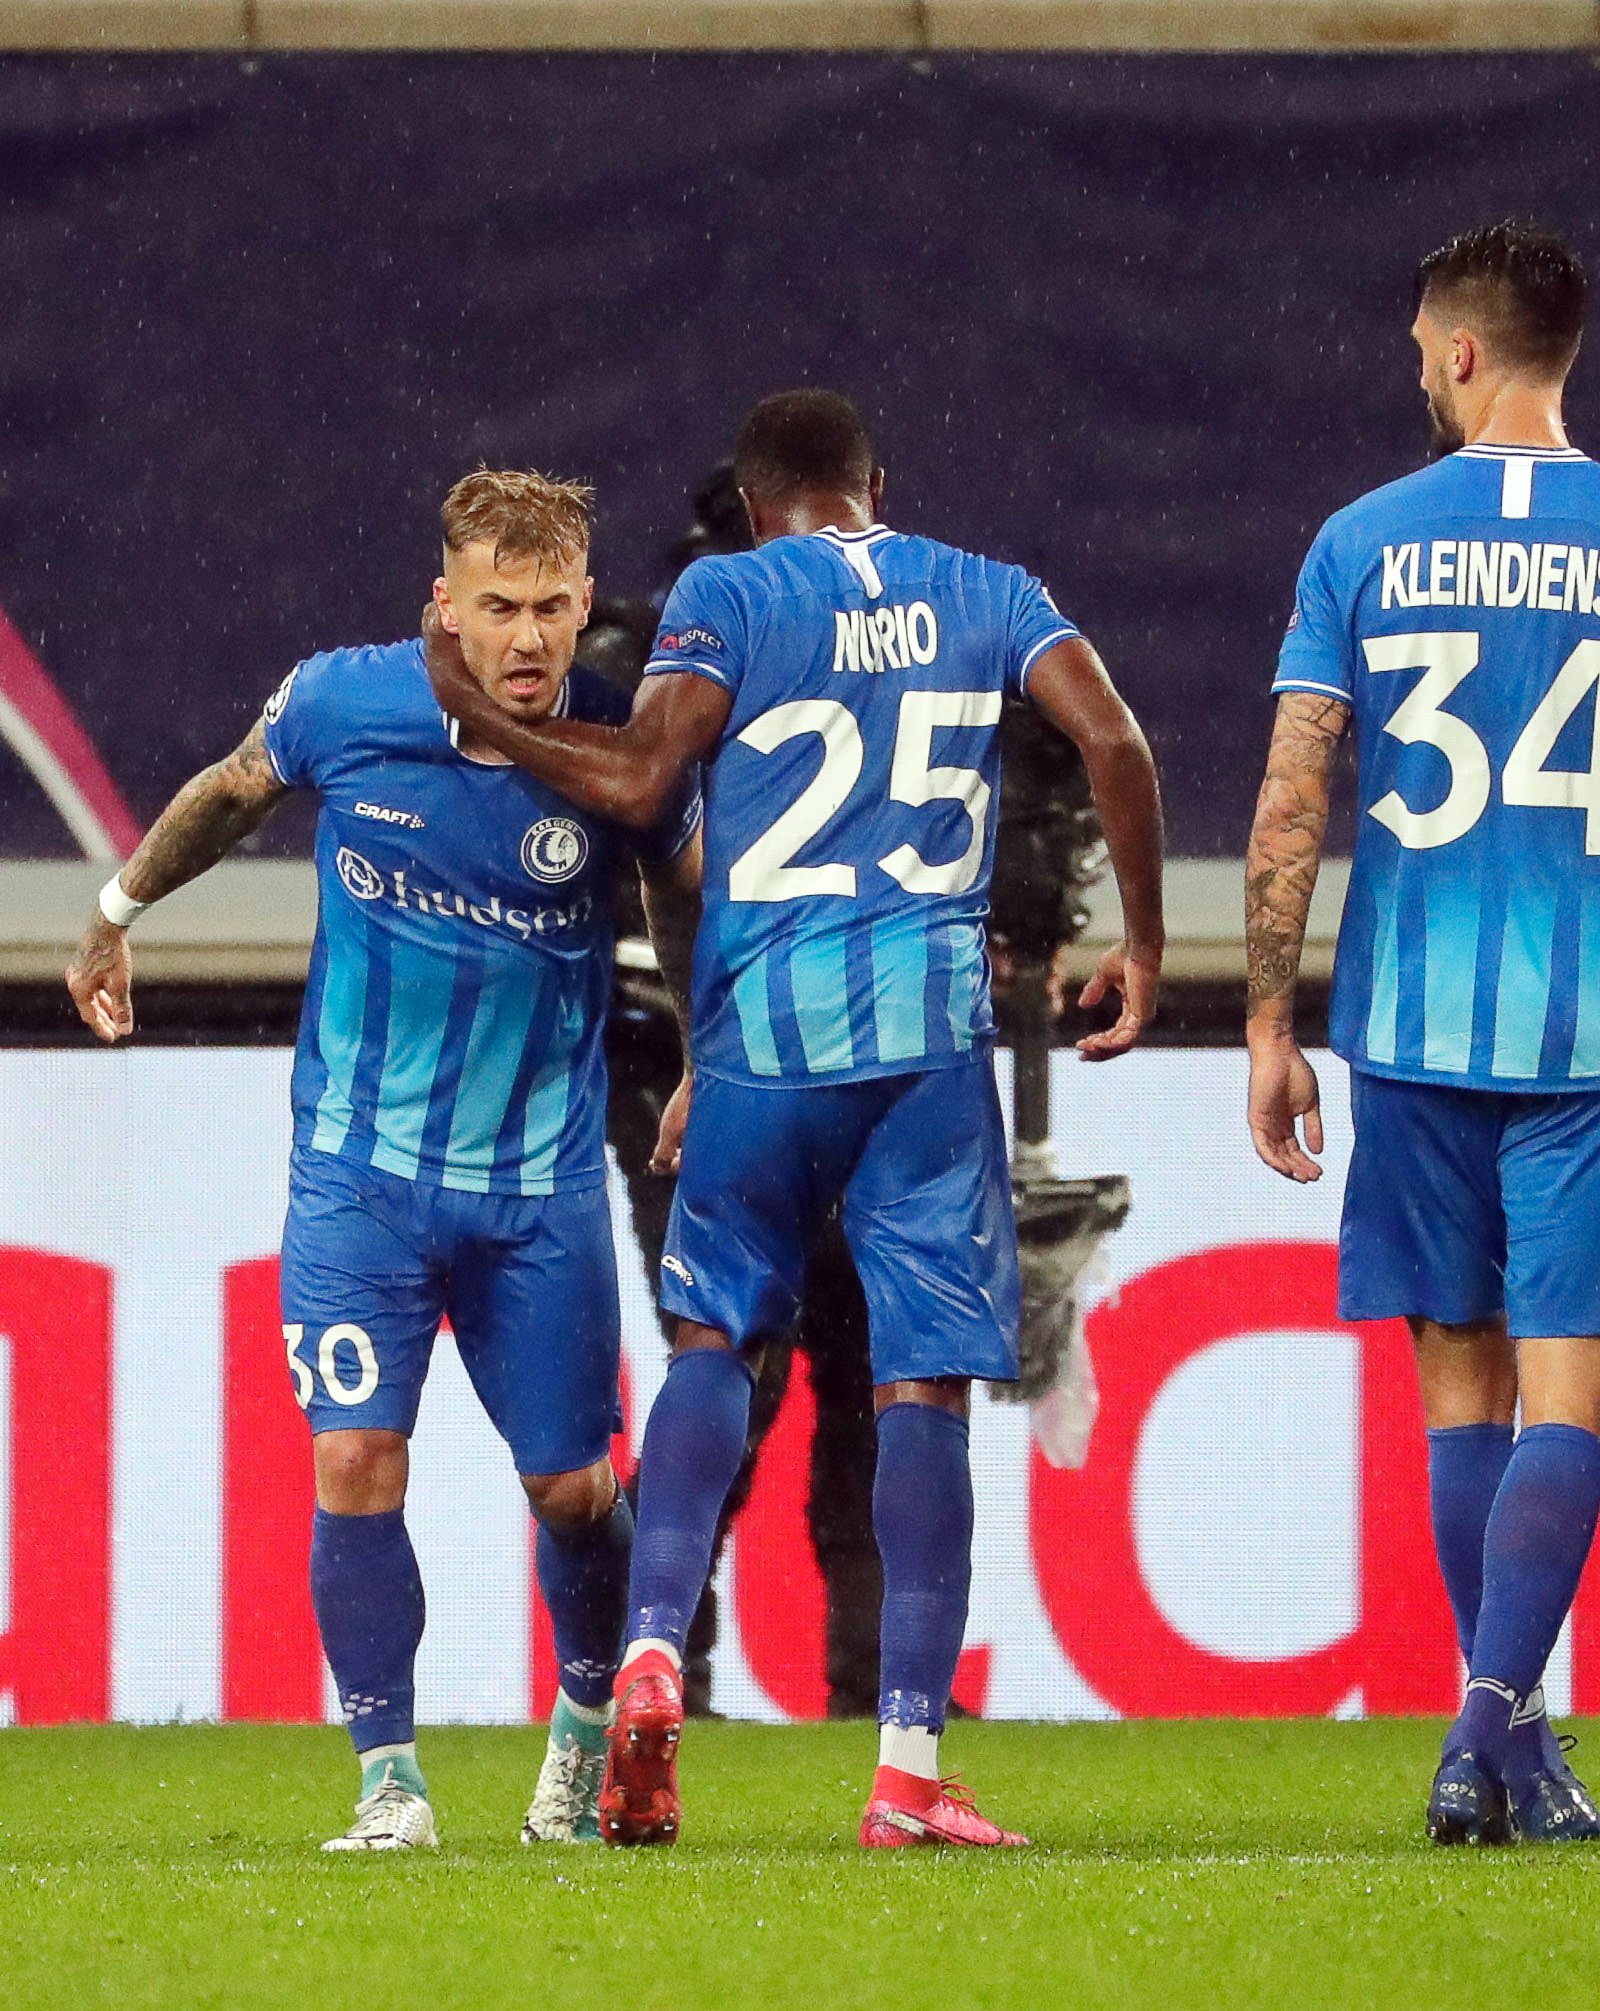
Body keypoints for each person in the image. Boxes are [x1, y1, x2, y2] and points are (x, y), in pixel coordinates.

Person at [424, 389, 1167, 1849]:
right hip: (924, 1057)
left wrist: (474, 716)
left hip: (759, 1044)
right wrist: (1141, 946)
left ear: (760, 507)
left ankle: (648, 1651)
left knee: (716, 1350)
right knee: (918, 1395)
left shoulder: (729, 591)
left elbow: (643, 780)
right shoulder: (987, 588)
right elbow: (1119, 746)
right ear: (876, 485)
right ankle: (903, 1772)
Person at [1242, 219, 1600, 1846]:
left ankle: (1493, 1726)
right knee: (1567, 1406)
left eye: (1422, 345)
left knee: (1459, 1397)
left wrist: (1273, 1023)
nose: (1417, 367)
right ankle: (1500, 1732)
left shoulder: (1361, 539)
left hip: (1407, 1034)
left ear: (1465, 351)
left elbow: (1291, 797)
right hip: (1590, 1041)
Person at [65, 471, 695, 1851]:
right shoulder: (346, 703)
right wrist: (115, 911)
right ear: (445, 608)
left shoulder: (626, 742)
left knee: (574, 1490)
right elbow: (234, 792)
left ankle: (585, 1741)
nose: (527, 639)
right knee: (354, 1459)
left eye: (550, 608)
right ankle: (389, 1782)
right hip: (356, 1178)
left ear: (586, 603)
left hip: (538, 1189)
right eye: (498, 610)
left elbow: (675, 884)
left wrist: (707, 1055)